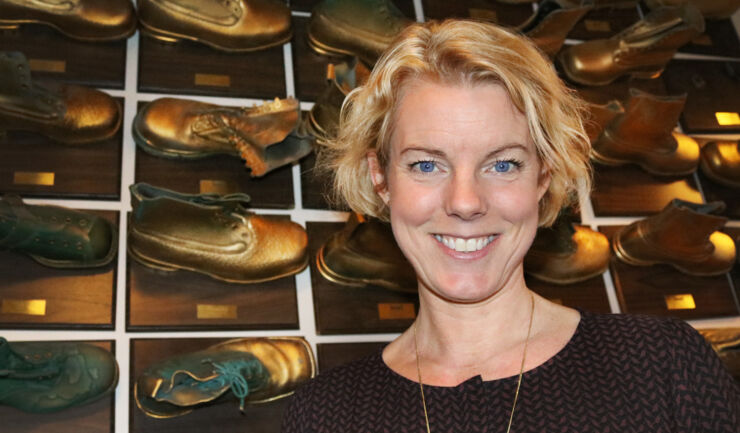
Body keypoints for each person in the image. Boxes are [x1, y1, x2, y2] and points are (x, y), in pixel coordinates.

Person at [282, 19, 739, 432]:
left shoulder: (663, 367)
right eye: (426, 165)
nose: (465, 202)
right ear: (381, 179)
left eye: (502, 165)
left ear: (543, 176)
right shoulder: (323, 414)